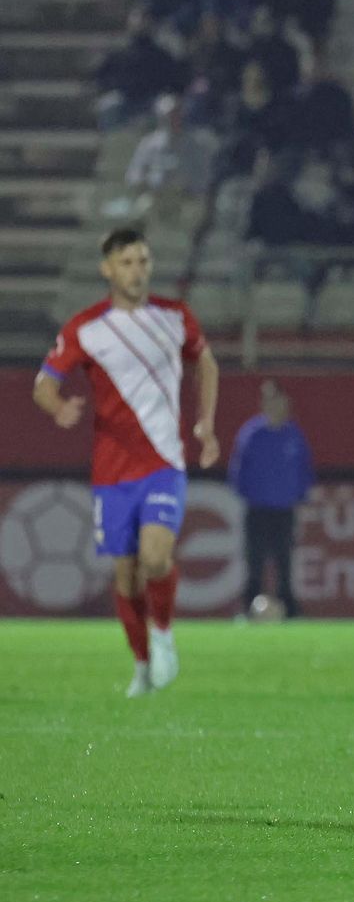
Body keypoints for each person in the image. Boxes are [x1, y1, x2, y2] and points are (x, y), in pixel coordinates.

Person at [31, 227, 220, 697]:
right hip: (112, 471)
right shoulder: (86, 328)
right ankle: (141, 668)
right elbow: (44, 383)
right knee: (126, 575)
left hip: (163, 461)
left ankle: (163, 635)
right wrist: (58, 408)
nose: (137, 271)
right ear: (108, 269)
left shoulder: (175, 317)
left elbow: (207, 363)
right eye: (127, 262)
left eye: (143, 261)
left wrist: (207, 424)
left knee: (156, 557)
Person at [229, 380, 315, 620]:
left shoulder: (294, 436)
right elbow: (238, 469)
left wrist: (300, 495)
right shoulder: (251, 434)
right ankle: (248, 609)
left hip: (284, 510)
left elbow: (304, 470)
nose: (273, 405)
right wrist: (247, 494)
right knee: (254, 561)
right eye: (268, 400)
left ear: (285, 403)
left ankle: (289, 609)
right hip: (257, 509)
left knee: (284, 562)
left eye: (277, 400)